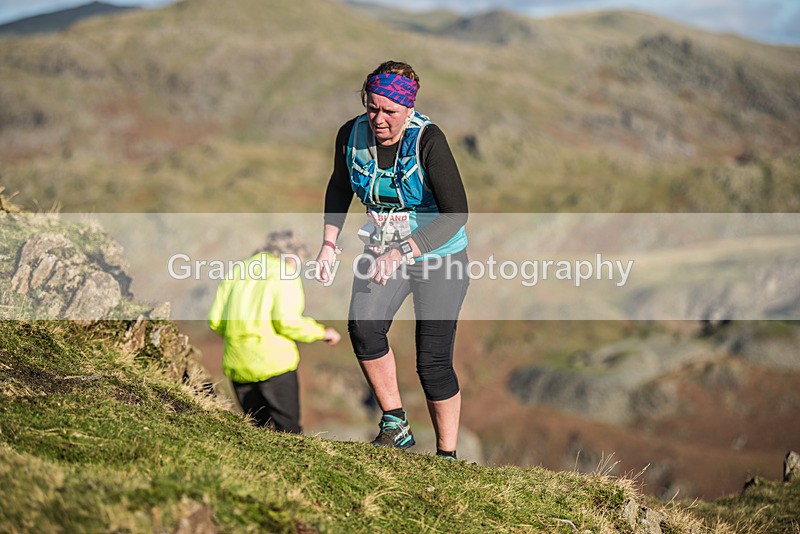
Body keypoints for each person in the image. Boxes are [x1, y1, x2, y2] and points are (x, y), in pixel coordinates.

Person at [315, 60, 469, 460]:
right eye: (373, 108)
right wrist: (329, 244)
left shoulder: (429, 141)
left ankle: (447, 457)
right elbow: (339, 186)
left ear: (409, 109)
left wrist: (403, 251)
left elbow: (456, 214)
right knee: (363, 327)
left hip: (439, 256)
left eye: (390, 111)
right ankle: (395, 424)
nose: (379, 119)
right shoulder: (350, 135)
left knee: (432, 362)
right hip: (382, 249)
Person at [209, 230, 341, 433]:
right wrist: (321, 332)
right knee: (288, 432)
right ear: (293, 255)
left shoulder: (238, 270)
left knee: (254, 431)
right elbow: (287, 322)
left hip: (238, 363)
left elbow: (215, 321)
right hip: (274, 364)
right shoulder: (284, 272)